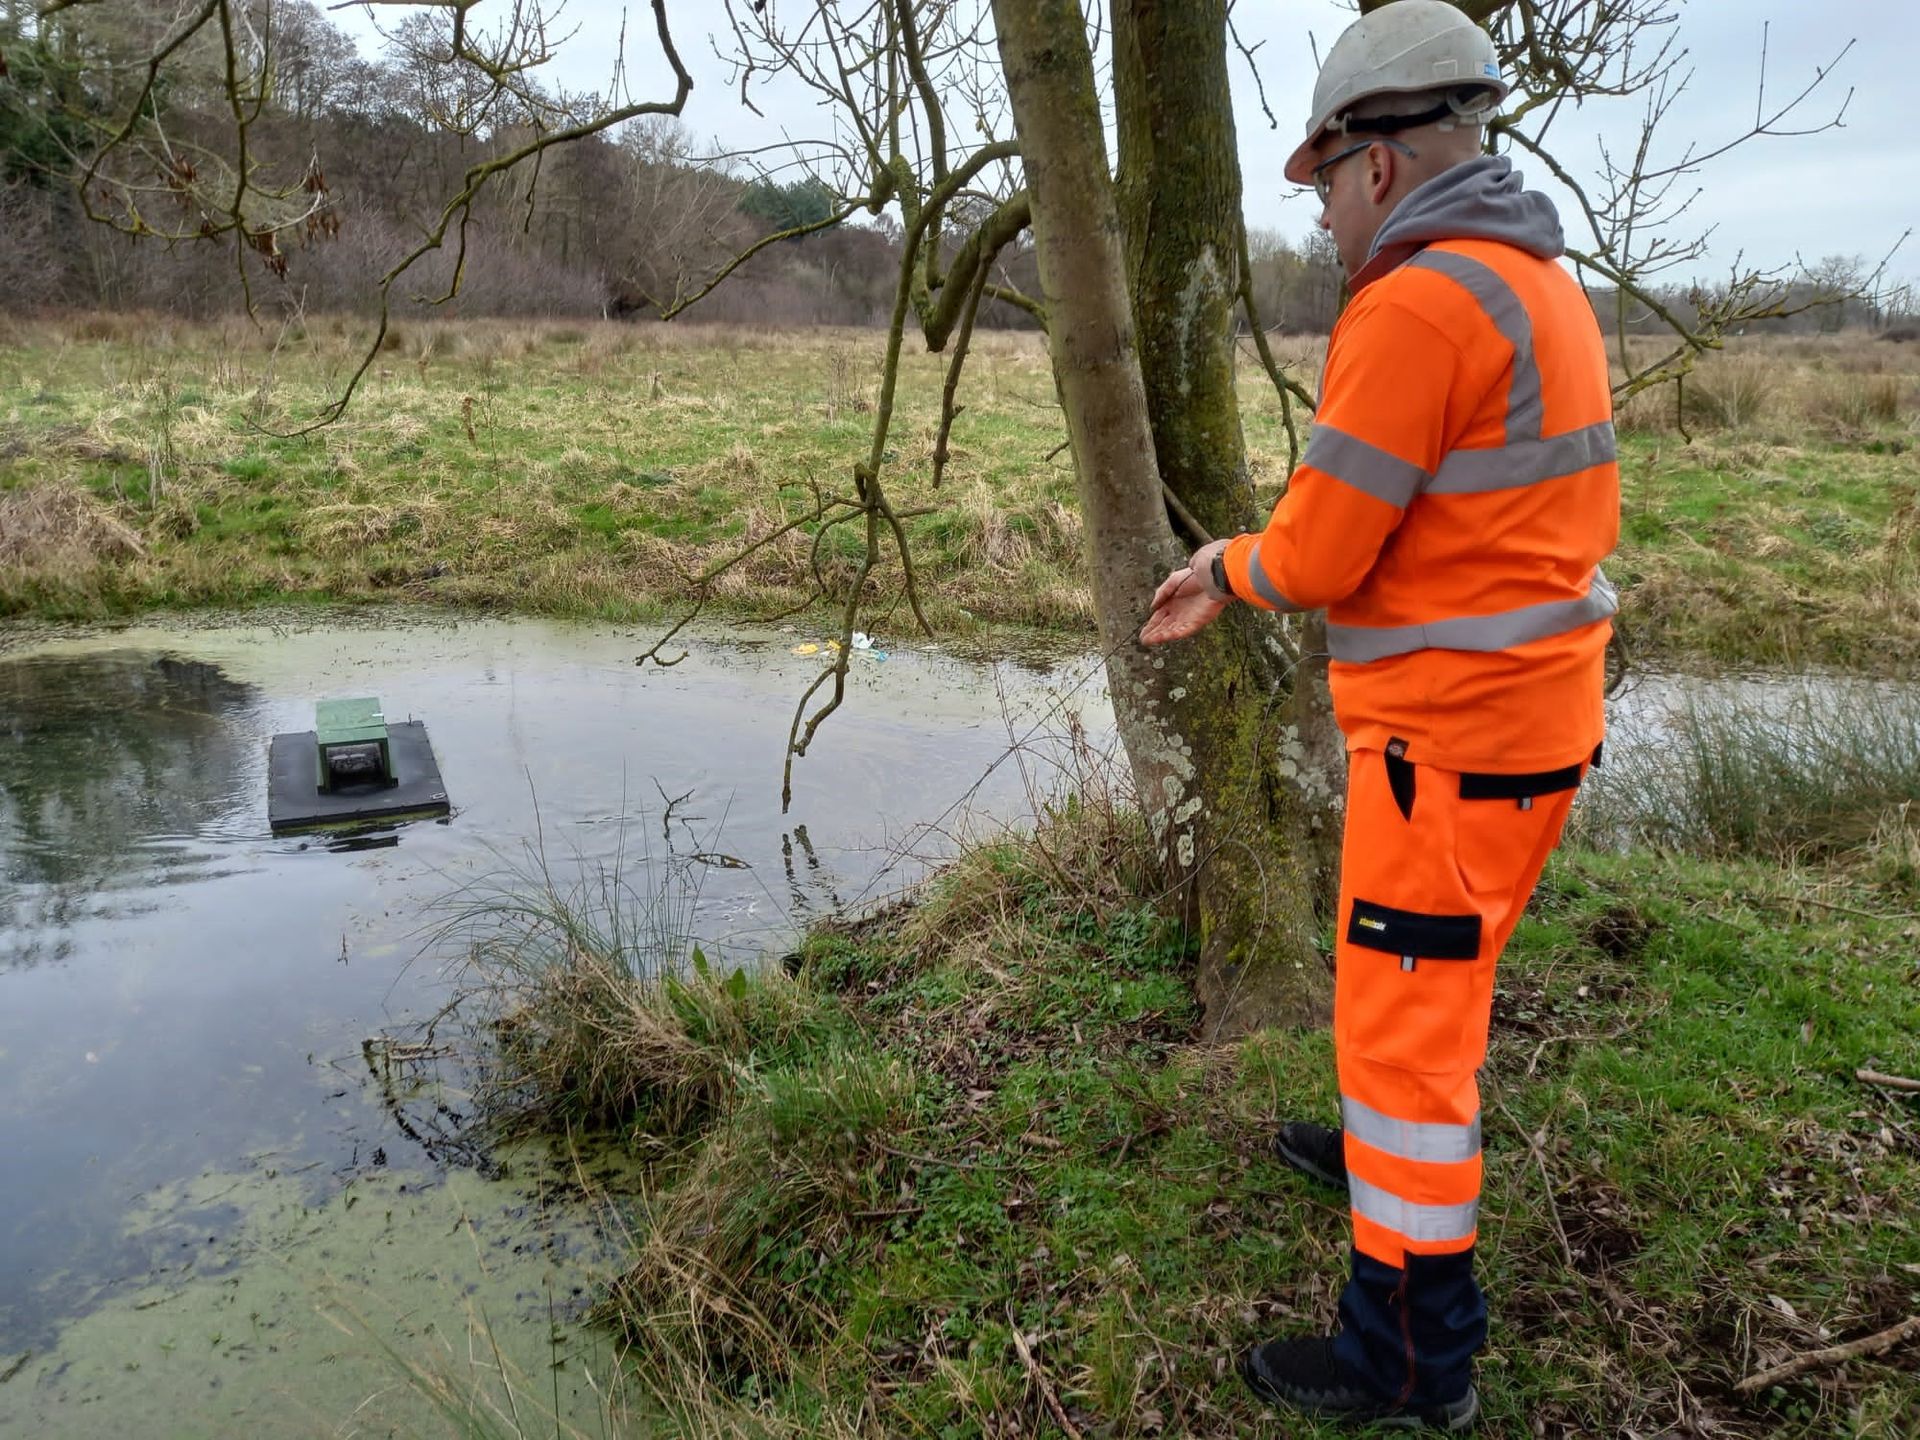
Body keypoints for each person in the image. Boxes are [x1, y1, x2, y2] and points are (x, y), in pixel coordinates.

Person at [1139, 1, 1620, 1430]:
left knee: (1409, 1047)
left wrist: (1220, 569)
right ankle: (1374, 1155)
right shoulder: (1537, 284)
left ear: (1381, 163)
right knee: (1429, 997)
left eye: (1326, 183)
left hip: (1449, 746)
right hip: (1528, 728)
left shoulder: (1413, 303)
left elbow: (1324, 549)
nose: (1326, 214)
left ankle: (1410, 1356)